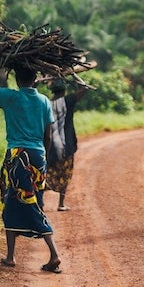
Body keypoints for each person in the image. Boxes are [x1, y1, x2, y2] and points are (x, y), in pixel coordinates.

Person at [0, 44, 62, 273]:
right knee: (18, 203)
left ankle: (54, 254)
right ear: (35, 78)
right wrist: (43, 159)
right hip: (38, 157)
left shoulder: (11, 97)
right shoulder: (44, 101)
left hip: (17, 157)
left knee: (22, 203)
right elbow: (48, 135)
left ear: (17, 79)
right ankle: (10, 257)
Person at [45, 79, 88, 211]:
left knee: (48, 173)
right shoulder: (68, 100)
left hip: (50, 145)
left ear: (52, 91)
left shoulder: (46, 103)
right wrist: (74, 77)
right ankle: (61, 204)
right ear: (64, 90)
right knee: (65, 173)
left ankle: (40, 202)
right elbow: (84, 88)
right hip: (66, 144)